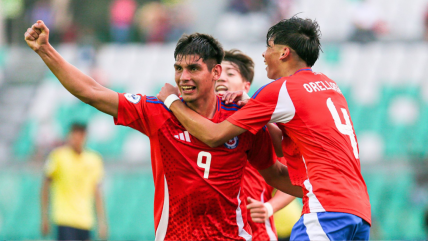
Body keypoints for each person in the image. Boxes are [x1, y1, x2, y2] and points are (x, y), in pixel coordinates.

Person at [25, 20, 298, 240]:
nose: (183, 77)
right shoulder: (158, 111)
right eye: (178, 68)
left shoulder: (240, 121)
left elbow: (275, 173)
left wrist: (323, 190)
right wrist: (46, 50)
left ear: (215, 73)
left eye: (193, 68)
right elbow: (92, 91)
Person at [157, 16, 372, 240]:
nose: (263, 54)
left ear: (284, 53)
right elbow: (286, 143)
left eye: (269, 47)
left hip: (326, 208)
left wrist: (172, 101)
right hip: (359, 210)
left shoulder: (279, 90)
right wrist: (253, 105)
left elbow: (214, 135)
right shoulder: (329, 86)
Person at [216, 49, 296, 241]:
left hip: (256, 232)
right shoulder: (198, 125)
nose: (221, 78)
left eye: (230, 73)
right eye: (217, 73)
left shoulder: (263, 129)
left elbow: (295, 177)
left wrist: (270, 207)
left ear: (246, 85)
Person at [40, 123, 107, 240]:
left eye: (80, 135)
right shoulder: (58, 156)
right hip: (64, 219)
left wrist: (102, 222)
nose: (77, 139)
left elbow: (97, 193)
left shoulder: (94, 160)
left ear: (85, 137)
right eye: (74, 135)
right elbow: (45, 186)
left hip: (86, 220)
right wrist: (44, 217)